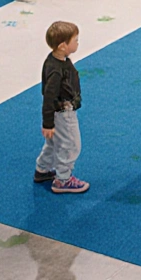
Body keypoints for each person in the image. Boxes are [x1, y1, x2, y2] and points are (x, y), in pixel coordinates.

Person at [35, 20, 88, 194]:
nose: (78, 43)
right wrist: (48, 123)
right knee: (70, 144)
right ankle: (63, 179)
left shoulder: (59, 60)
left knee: (53, 143)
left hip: (60, 111)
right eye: (75, 40)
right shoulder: (56, 70)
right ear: (63, 46)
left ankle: (42, 169)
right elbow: (48, 97)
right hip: (63, 112)